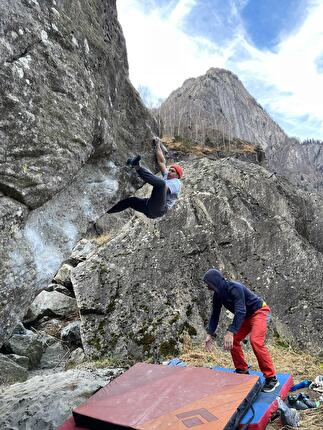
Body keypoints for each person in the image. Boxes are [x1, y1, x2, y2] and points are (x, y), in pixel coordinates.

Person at [202, 268, 279, 393]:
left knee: (255, 341)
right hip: (246, 317)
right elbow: (215, 315)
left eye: (208, 284)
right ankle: (242, 370)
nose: (207, 287)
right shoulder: (218, 295)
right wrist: (209, 334)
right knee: (234, 340)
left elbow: (240, 310)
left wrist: (230, 331)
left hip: (259, 312)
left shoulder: (235, 287)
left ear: (214, 282)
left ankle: (271, 378)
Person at [106, 138, 183, 219]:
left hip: (159, 210)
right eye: (170, 169)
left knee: (161, 184)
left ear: (177, 176)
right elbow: (161, 162)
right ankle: (107, 210)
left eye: (173, 171)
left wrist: (154, 183)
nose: (169, 171)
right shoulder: (167, 175)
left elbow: (163, 189)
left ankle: (136, 166)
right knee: (131, 201)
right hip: (149, 208)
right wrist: (158, 145)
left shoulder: (176, 183)